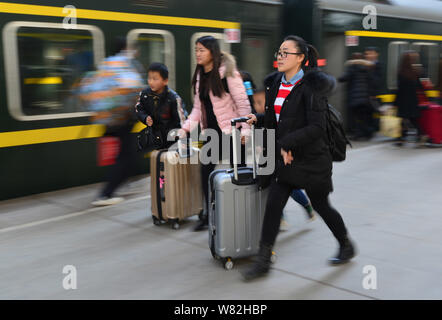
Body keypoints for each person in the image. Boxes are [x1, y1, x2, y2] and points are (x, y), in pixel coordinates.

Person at [242, 35, 356, 281]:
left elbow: (316, 127)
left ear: (301, 58)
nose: (280, 57)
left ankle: (346, 244)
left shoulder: (312, 87)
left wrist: (284, 144)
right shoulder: (274, 83)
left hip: (312, 159)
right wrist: (257, 119)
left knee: (321, 206)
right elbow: (277, 120)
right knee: (273, 205)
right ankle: (263, 261)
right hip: (286, 158)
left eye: (286, 53)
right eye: (279, 52)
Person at [177, 36, 252, 231]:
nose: (197, 54)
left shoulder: (228, 73)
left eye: (201, 50)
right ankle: (208, 215)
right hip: (210, 134)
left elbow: (243, 104)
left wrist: (246, 130)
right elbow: (196, 108)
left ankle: (241, 213)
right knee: (205, 172)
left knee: (239, 173)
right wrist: (185, 128)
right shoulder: (201, 75)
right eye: (196, 50)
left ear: (212, 51)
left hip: (232, 132)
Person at [88, 37, 144, 206]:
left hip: (107, 117)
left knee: (127, 153)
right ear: (126, 49)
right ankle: (105, 195)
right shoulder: (125, 65)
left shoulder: (106, 64)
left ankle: (124, 183)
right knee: (127, 156)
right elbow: (135, 88)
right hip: (122, 118)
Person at [135, 62, 184, 151]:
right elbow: (139, 108)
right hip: (153, 141)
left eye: (155, 79)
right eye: (149, 78)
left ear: (165, 81)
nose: (151, 82)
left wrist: (183, 142)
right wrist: (145, 118)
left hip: (171, 142)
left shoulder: (173, 98)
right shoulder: (145, 94)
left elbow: (181, 122)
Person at [339, 52, 374, 141]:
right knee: (364, 117)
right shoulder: (366, 68)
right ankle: (367, 134)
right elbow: (371, 81)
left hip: (355, 97)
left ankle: (358, 134)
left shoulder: (352, 68)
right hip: (365, 98)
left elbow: (343, 78)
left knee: (356, 117)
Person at [394, 51, 423, 146]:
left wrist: (395, 102)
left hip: (403, 100)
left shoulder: (401, 72)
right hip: (412, 100)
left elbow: (399, 88)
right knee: (413, 119)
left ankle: (400, 138)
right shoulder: (415, 72)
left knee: (402, 120)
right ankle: (420, 135)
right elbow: (419, 86)